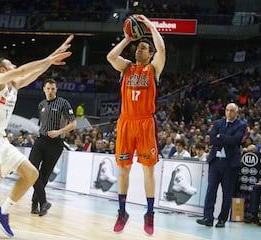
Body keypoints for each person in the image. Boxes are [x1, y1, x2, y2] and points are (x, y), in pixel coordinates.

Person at [0, 34, 74, 240]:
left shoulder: (13, 86)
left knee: (32, 175)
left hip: (0, 139)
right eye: (11, 64)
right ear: (2, 70)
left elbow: (34, 72)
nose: (15, 65)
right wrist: (49, 59)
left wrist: (52, 57)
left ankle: (3, 211)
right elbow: (24, 69)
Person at [106, 14, 166, 235]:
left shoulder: (153, 69)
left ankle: (149, 214)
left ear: (150, 54)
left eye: (142, 48)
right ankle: (122, 212)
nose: (138, 50)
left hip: (145, 123)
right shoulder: (127, 68)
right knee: (124, 171)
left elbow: (162, 50)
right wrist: (128, 39)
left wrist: (150, 26)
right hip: (126, 123)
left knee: (148, 171)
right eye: (137, 47)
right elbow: (111, 57)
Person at [30, 78, 76, 216]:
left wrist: (59, 132)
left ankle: (35, 204)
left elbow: (73, 124)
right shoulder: (41, 104)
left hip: (55, 144)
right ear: (44, 89)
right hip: (40, 141)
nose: (50, 91)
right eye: (48, 88)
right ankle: (44, 202)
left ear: (56, 90)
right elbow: (43, 121)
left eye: (53, 89)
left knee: (44, 176)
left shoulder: (63, 103)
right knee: (31, 171)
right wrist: (40, 130)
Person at [196, 103, 247, 228]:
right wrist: (224, 139)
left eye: (232, 111)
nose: (229, 113)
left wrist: (222, 136)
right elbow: (212, 139)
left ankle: (222, 219)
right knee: (211, 190)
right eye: (227, 110)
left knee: (227, 192)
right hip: (215, 162)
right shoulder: (218, 123)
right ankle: (208, 217)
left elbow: (236, 140)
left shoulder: (241, 125)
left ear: (236, 112)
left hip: (230, 164)